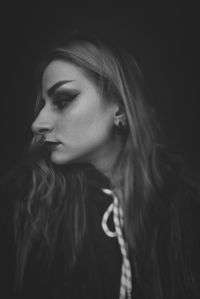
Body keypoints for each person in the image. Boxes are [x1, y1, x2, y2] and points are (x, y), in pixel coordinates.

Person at [0, 31, 200, 299]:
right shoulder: (21, 205)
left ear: (118, 106)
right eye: (43, 105)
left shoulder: (181, 207)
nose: (37, 124)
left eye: (62, 101)